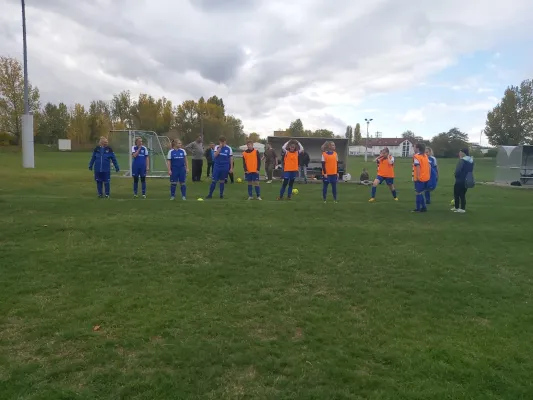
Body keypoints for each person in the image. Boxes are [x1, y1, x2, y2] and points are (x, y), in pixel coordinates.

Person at [452, 148, 475, 213]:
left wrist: (456, 175)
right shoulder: (471, 160)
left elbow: (458, 170)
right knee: (462, 194)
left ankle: (458, 208)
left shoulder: (462, 161)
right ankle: (461, 208)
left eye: (460, 152)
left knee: (456, 193)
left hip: (460, 179)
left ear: (463, 153)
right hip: (467, 179)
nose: (459, 153)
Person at [412, 143, 430, 212]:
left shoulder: (416, 156)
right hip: (426, 177)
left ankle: (418, 208)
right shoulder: (425, 155)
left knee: (418, 193)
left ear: (417, 148)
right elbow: (428, 166)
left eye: (414, 147)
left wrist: (418, 176)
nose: (413, 148)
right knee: (420, 192)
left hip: (420, 177)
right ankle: (424, 207)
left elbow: (418, 166)